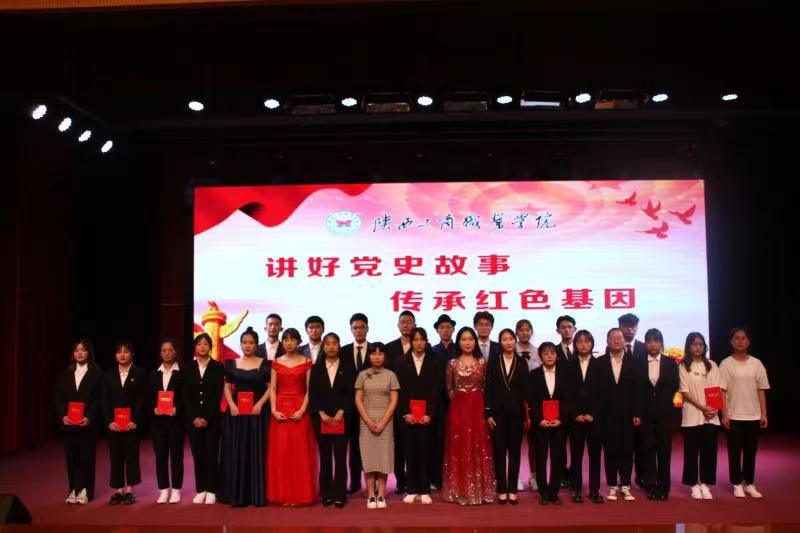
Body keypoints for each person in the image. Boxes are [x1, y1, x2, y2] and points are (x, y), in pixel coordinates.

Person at [442, 326, 496, 505]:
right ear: (458, 342)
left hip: (477, 408)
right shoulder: (452, 363)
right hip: (458, 408)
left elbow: (487, 387)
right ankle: (460, 491)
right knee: (459, 446)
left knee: (478, 446)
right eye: (464, 339)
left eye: (470, 339)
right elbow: (449, 388)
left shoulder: (482, 362)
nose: (467, 342)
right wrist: (460, 401)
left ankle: (479, 491)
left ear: (475, 341)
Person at [220, 326, 270, 507]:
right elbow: (227, 387)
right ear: (240, 344)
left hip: (257, 412)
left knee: (255, 450)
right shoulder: (231, 363)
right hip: (236, 413)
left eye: (251, 343)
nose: (247, 345)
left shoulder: (265, 364)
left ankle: (255, 494)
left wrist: (260, 404)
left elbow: (271, 387)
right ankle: (236, 493)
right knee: (235, 450)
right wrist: (232, 405)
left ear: (256, 345)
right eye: (244, 342)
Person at [268, 328, 318, 505]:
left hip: (300, 408)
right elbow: (273, 388)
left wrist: (302, 410)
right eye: (286, 340)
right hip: (280, 409)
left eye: (292, 340)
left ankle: (300, 495)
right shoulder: (276, 362)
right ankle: (282, 494)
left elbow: (310, 390)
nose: (289, 343)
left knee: (299, 454)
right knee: (281, 454)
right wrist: (273, 410)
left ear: (299, 342)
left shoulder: (307, 362)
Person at [720, 327, 770, 498]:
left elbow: (761, 389)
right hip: (733, 415)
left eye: (743, 338)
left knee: (750, 451)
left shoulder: (757, 363)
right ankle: (736, 483)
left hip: (753, 415)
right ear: (731, 342)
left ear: (748, 341)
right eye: (736, 338)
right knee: (734, 451)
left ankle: (749, 483)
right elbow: (722, 391)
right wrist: (724, 414)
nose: (740, 341)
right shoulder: (726, 364)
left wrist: (764, 413)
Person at [396, 327, 443, 505]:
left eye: (422, 339)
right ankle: (411, 489)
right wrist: (405, 412)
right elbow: (399, 390)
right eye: (415, 340)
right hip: (408, 416)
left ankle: (424, 490)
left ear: (426, 342)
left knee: (425, 452)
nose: (418, 343)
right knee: (409, 453)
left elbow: (435, 391)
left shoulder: (434, 361)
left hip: (426, 417)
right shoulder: (401, 361)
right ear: (410, 342)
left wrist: (429, 414)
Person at [309, 332, 356, 508]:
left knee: (341, 458)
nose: (331, 346)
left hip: (342, 418)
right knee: (325, 457)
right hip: (321, 419)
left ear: (339, 345)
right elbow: (313, 393)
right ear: (323, 346)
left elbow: (351, 393)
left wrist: (341, 412)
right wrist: (321, 413)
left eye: (334, 343)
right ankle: (326, 493)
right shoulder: (316, 368)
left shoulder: (348, 367)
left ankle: (340, 494)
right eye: (327, 343)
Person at [55, 338, 102, 505]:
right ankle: (73, 490)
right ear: (73, 354)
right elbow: (59, 397)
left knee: (86, 458)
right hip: (69, 424)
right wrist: (63, 416)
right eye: (76, 350)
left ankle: (85, 491)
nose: (79, 353)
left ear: (89, 352)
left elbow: (98, 399)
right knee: (71, 458)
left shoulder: (97, 374)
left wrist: (89, 417)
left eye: (83, 350)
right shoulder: (65, 374)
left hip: (87, 424)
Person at [485, 328, 529, 505]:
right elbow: (488, 387)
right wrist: (488, 413)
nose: (508, 342)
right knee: (499, 452)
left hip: (516, 414)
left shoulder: (522, 362)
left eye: (511, 339)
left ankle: (512, 489)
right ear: (500, 342)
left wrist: (526, 415)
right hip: (498, 414)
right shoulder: (494, 361)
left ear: (515, 341)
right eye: (504, 339)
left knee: (515, 452)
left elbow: (525, 390)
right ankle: (502, 489)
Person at [354, 343, 400, 509]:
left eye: (380, 354)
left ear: (385, 356)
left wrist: (382, 422)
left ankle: (381, 494)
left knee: (383, 458)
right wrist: (367, 421)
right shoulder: (363, 375)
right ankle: (370, 495)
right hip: (366, 422)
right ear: (369, 356)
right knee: (369, 459)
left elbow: (394, 400)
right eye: (374, 354)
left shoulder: (391, 375)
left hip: (385, 422)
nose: (377, 357)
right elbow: (358, 399)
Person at [637, 328, 679, 501]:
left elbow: (675, 385)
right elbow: (636, 389)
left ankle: (663, 486)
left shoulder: (670, 363)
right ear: (645, 343)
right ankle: (650, 485)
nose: (652, 344)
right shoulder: (639, 362)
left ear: (661, 343)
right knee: (647, 450)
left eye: (656, 340)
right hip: (645, 414)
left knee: (664, 451)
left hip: (665, 413)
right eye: (649, 341)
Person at [102, 340, 146, 505]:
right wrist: (109, 421)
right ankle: (118, 489)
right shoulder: (108, 375)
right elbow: (104, 400)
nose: (122, 355)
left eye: (126, 352)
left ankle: (130, 490)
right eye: (119, 352)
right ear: (115, 355)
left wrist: (135, 420)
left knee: (131, 455)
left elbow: (142, 399)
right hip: (114, 425)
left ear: (132, 354)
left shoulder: (139, 373)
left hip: (131, 425)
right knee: (115, 456)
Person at [600, 328, 640, 502]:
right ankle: (612, 485)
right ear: (607, 341)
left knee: (627, 450)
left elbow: (638, 389)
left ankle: (625, 484)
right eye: (612, 338)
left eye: (619, 338)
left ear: (625, 341)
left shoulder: (634, 361)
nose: (616, 341)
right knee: (610, 450)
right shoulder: (600, 362)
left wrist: (637, 413)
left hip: (628, 414)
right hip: (607, 414)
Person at [679, 332, 721, 500]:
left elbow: (715, 388)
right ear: (689, 346)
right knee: (691, 451)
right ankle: (693, 484)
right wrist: (702, 407)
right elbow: (684, 391)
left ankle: (705, 483)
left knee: (709, 451)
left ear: (705, 347)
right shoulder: (683, 365)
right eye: (694, 344)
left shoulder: (712, 365)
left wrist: (713, 408)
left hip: (710, 415)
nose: (698, 347)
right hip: (691, 415)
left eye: (701, 344)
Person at [184, 333, 225, 504]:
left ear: (210, 347)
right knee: (198, 454)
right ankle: (200, 489)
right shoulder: (188, 368)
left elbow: (217, 394)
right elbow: (186, 396)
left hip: (212, 419)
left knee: (211, 454)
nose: (202, 347)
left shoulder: (218, 367)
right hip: (193, 420)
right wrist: (194, 417)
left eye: (205, 344)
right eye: (199, 344)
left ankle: (212, 490)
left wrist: (206, 417)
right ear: (195, 347)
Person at [568, 330, 607, 504]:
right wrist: (576, 414)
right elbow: (566, 393)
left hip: (595, 419)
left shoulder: (600, 365)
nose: (583, 344)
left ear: (592, 343)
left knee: (595, 455)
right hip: (575, 419)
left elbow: (602, 393)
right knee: (576, 455)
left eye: (586, 341)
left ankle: (594, 490)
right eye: (579, 341)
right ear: (575, 344)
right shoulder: (568, 365)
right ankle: (576, 488)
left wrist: (593, 414)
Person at [530, 342, 570, 505]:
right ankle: (543, 492)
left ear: (557, 355)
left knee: (557, 459)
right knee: (540, 458)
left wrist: (561, 419)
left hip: (559, 424)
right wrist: (540, 419)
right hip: (541, 425)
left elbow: (567, 400)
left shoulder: (564, 375)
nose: (549, 356)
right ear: (540, 356)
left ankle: (554, 492)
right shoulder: (534, 375)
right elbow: (532, 401)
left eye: (552, 353)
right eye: (545, 353)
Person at [149, 338, 185, 504]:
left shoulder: (182, 373)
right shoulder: (154, 374)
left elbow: (186, 397)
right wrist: (153, 408)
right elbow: (148, 396)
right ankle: (163, 490)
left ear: (175, 352)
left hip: (176, 422)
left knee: (176, 456)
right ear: (160, 353)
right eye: (164, 350)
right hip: (158, 423)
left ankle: (176, 490)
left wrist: (177, 408)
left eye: (170, 350)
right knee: (160, 456)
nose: (167, 353)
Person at [340, 312, 372, 494]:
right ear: (351, 330)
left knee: (370, 445)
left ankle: (372, 482)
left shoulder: (376, 349)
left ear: (367, 329)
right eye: (355, 328)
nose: (358, 331)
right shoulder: (343, 351)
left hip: (371, 405)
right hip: (350, 407)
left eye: (362, 327)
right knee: (353, 446)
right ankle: (354, 483)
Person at [385, 310, 416, 494]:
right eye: (403, 322)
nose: (406, 325)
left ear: (415, 325)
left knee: (415, 443)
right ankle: (400, 481)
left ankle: (414, 479)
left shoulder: (423, 345)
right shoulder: (390, 348)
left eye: (409, 322)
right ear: (398, 325)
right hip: (396, 402)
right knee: (398, 443)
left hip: (417, 402)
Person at [616, 313, 648, 490]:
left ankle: (641, 476)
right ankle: (624, 477)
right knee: (623, 445)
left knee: (642, 444)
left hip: (642, 404)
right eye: (626, 326)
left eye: (633, 326)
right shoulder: (613, 348)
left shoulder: (644, 348)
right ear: (620, 327)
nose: (630, 329)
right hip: (621, 406)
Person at [431, 313, 457, 490]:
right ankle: (437, 478)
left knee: (455, 439)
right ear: (437, 330)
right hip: (438, 402)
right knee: (438, 440)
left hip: (457, 400)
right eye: (442, 328)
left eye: (448, 327)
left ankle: (454, 478)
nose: (445, 330)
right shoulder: (432, 351)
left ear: (453, 329)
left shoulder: (459, 350)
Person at [516, 319, 540, 492]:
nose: (525, 332)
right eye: (521, 330)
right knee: (515, 441)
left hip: (534, 400)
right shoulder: (510, 349)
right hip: (516, 400)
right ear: (516, 332)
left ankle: (534, 475)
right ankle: (515, 475)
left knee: (534, 442)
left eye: (527, 329)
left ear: (531, 332)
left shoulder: (538, 351)